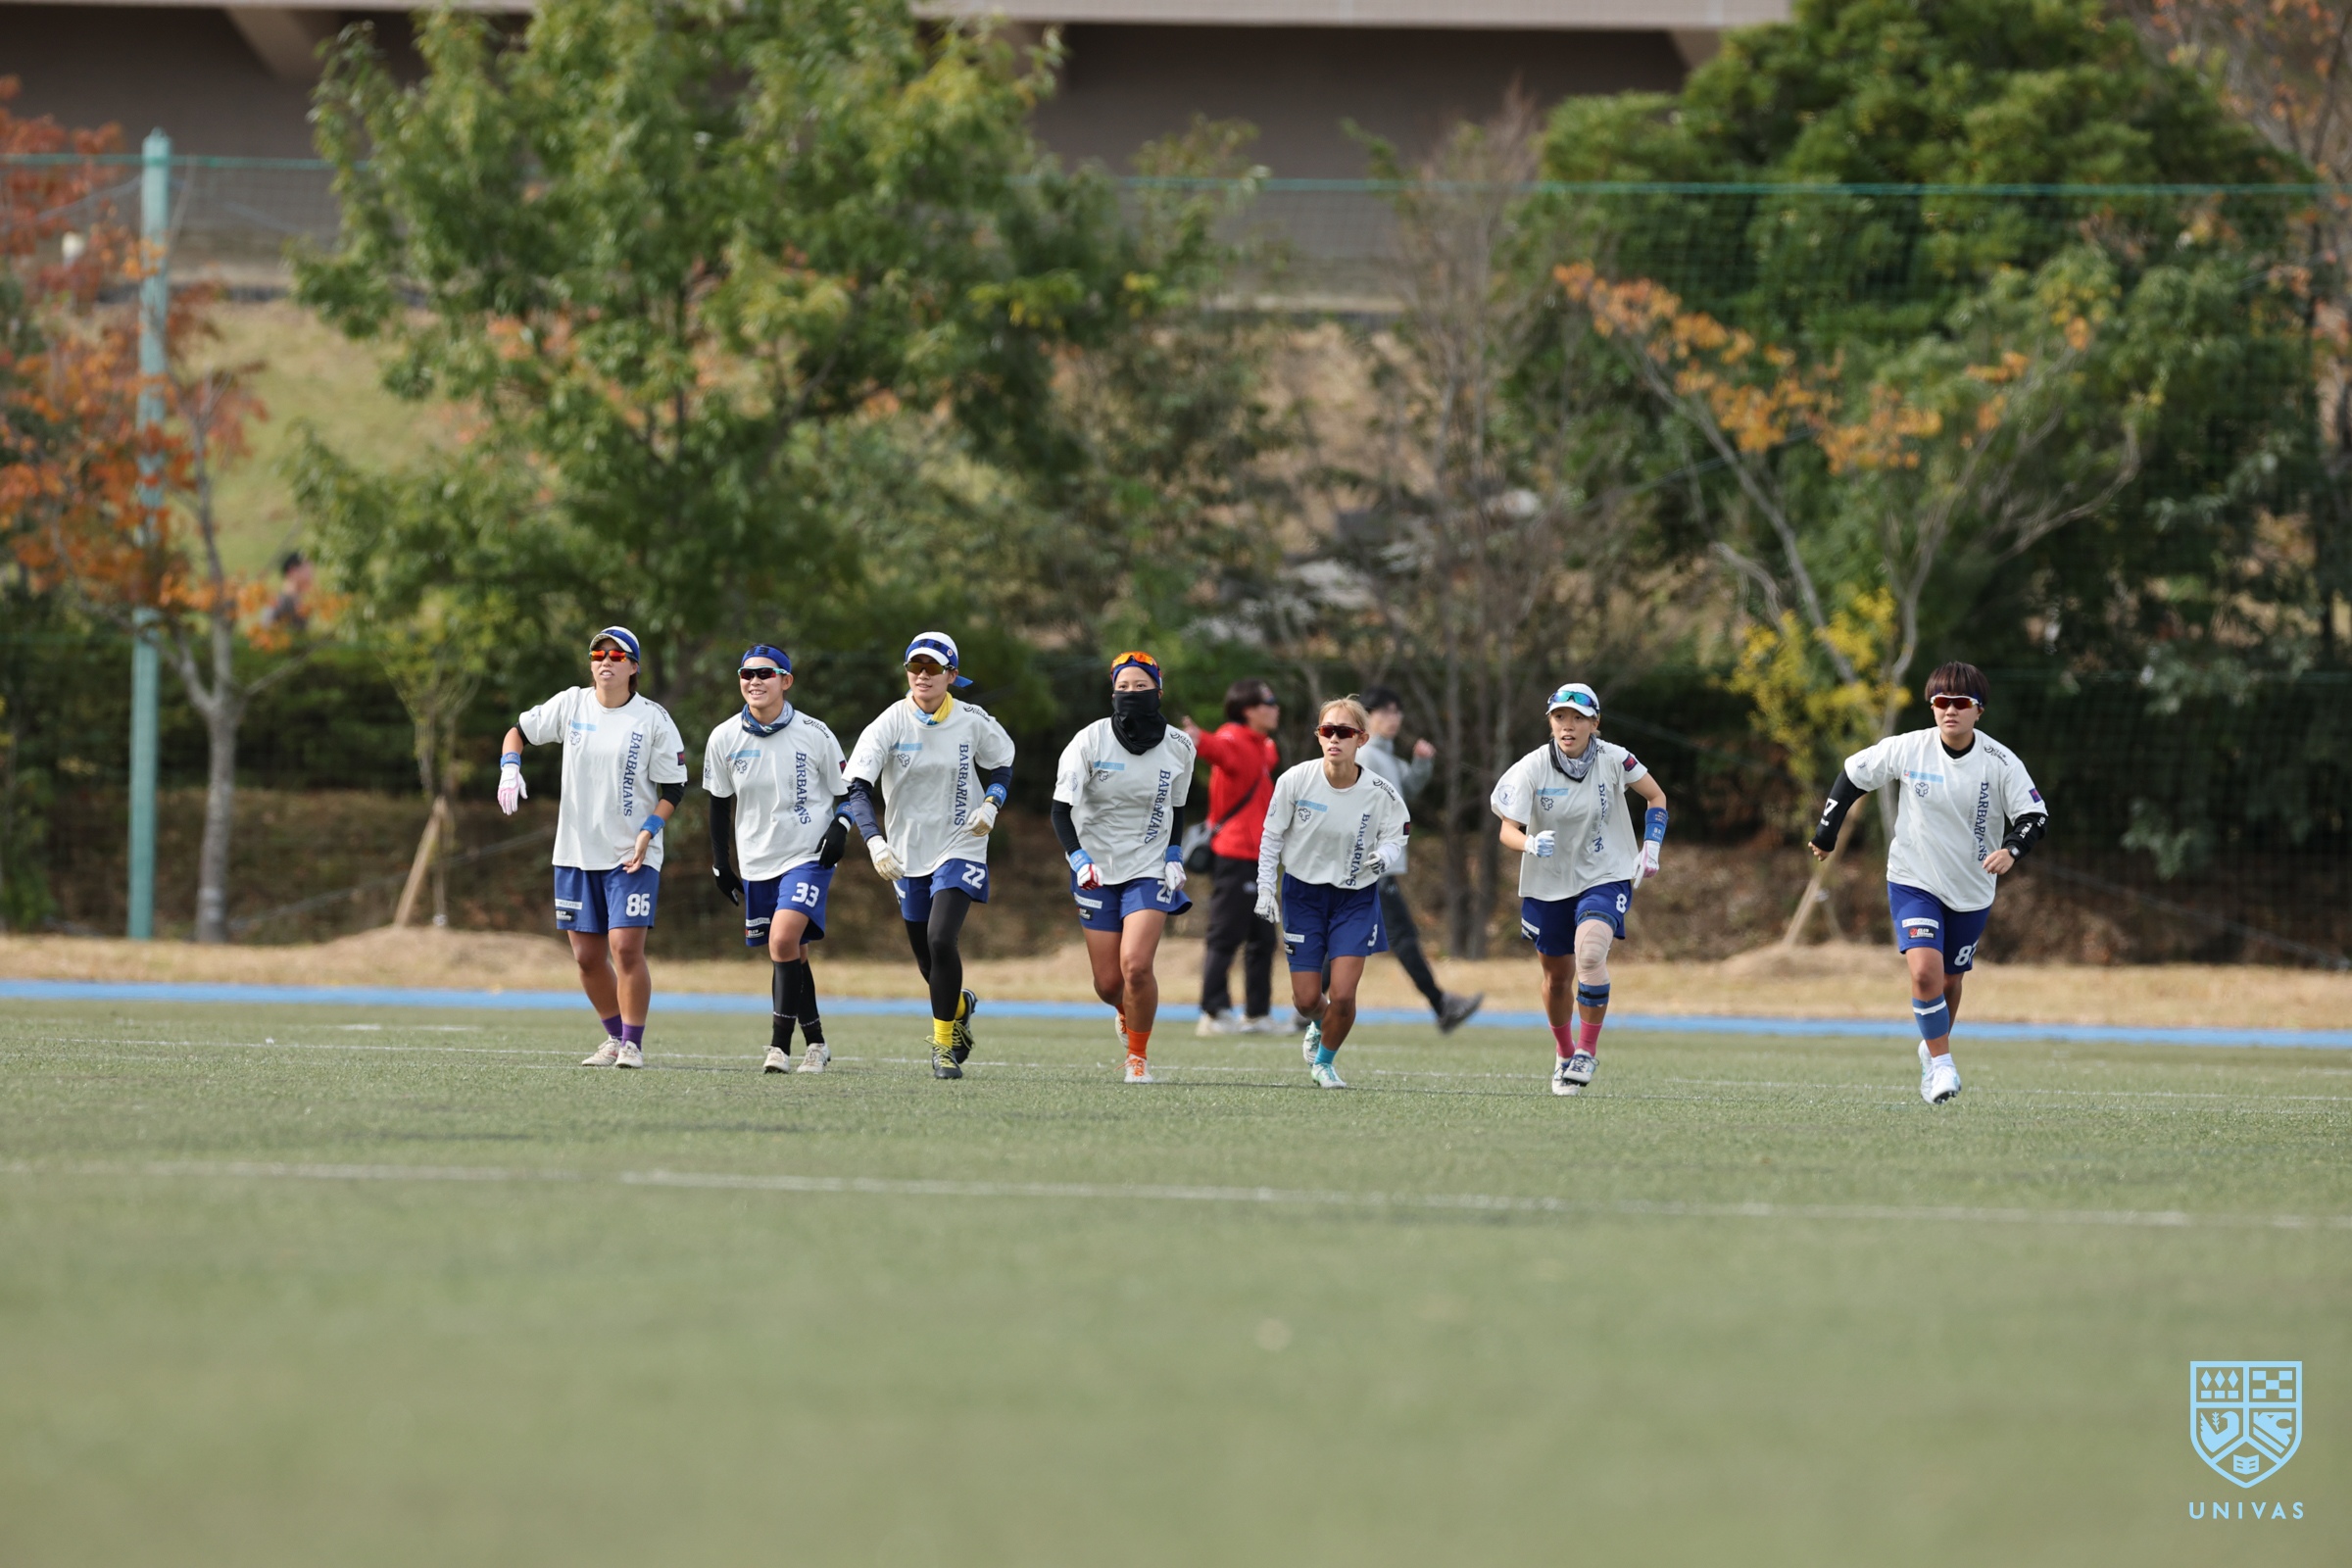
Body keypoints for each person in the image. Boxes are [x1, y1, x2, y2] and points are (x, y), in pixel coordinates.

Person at [1810, 662, 2047, 1104]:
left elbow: (2035, 815)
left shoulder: (2000, 762)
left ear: (1979, 710)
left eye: (1960, 702)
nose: (1949, 710)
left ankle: (1932, 1049)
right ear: (1932, 706)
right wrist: (1827, 832)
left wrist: (2012, 850)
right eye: (1941, 701)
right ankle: (1942, 1063)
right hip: (1913, 880)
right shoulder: (1909, 748)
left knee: (1951, 983)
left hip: (1971, 890)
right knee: (1924, 974)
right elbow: (1853, 775)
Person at [498, 626, 688, 1068]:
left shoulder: (653, 718)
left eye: (617, 656)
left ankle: (633, 1044)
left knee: (625, 949)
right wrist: (510, 767)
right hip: (575, 853)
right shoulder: (572, 704)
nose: (605, 661)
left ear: (633, 667)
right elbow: (517, 732)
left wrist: (649, 831)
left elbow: (674, 788)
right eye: (598, 654)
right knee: (586, 958)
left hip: (631, 854)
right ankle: (614, 1037)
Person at [843, 631, 1015, 1080]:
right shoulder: (888, 723)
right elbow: (857, 787)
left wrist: (992, 802)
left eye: (933, 668)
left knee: (941, 939)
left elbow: (1002, 762)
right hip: (906, 852)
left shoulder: (972, 720)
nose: (922, 675)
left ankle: (942, 1048)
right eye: (915, 667)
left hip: (962, 842)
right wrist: (874, 841)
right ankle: (960, 1006)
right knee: (926, 960)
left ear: (951, 675)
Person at [1491, 682, 1669, 1098]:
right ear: (1550, 722)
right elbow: (1507, 829)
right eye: (1559, 717)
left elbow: (1656, 796)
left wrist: (1652, 844)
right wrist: (1529, 843)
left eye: (1578, 718)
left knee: (1590, 954)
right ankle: (1565, 1052)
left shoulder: (1615, 758)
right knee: (1557, 980)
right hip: (1548, 881)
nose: (1567, 726)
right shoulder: (1532, 766)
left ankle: (1587, 1052)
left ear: (1595, 722)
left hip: (1606, 873)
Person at [704, 645, 854, 1074]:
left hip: (808, 855)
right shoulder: (723, 737)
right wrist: (720, 863)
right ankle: (817, 1044)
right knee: (794, 953)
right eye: (747, 674)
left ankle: (778, 1048)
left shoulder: (815, 733)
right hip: (757, 860)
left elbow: (850, 792)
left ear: (786, 681)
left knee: (783, 940)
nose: (755, 681)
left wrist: (841, 828)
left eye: (765, 673)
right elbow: (718, 804)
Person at [1052, 651, 1196, 1084]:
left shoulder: (1180, 746)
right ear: (1112, 693)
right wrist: (1079, 858)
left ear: (1158, 691)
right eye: (1123, 688)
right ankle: (1122, 1009)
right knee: (1109, 984)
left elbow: (1178, 806)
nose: (1132, 694)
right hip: (1095, 869)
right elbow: (1060, 811)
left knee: (1136, 966)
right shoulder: (1089, 741)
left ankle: (1138, 1057)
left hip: (1149, 866)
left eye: (1141, 686)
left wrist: (1174, 853)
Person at [1254, 697, 1411, 1090]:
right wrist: (1265, 887)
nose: (1335, 739)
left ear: (1362, 739)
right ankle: (1318, 1025)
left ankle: (1324, 1062)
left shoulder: (1380, 791)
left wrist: (1385, 855)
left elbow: (1398, 834)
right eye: (1328, 731)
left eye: (1344, 732)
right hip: (1303, 895)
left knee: (1342, 994)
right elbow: (1272, 836)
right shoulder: (1295, 780)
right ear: (1318, 736)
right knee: (1307, 1000)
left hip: (1355, 897)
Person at [1354, 685, 1483, 1033]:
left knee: (1352, 941)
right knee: (1402, 937)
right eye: (1384, 711)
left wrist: (1422, 763)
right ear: (1367, 717)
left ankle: (1305, 1004)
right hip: (1371, 867)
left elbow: (1406, 791)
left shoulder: (1387, 758)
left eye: (1396, 711)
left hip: (1375, 867)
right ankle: (1442, 1005)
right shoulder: (1366, 756)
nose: (1393, 718)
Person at [1183, 679, 1282, 1036]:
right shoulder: (1233, 739)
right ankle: (1213, 1012)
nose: (1276, 707)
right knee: (1226, 935)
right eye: (1269, 701)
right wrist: (1197, 738)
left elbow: (1268, 756)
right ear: (1248, 710)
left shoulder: (1261, 746)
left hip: (1259, 857)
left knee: (1263, 939)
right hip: (1235, 854)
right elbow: (1216, 748)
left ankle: (1257, 1015)